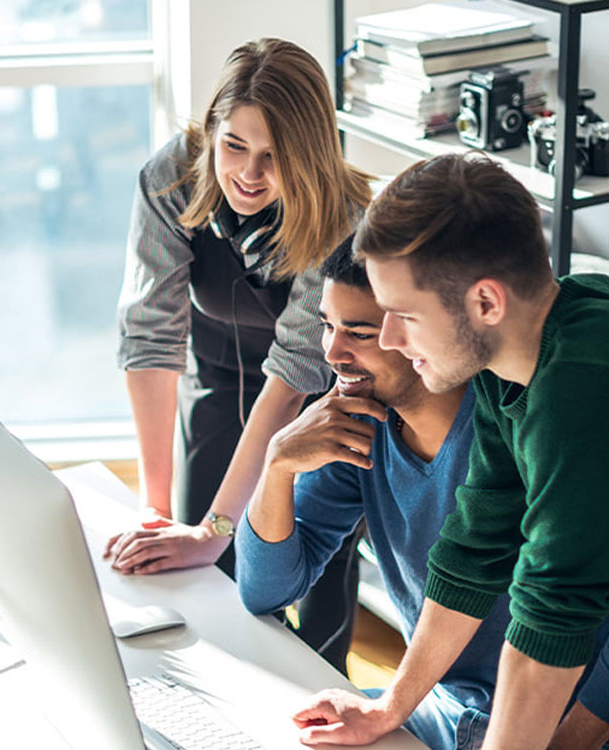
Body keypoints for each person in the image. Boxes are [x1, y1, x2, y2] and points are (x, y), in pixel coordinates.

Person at [291, 153, 609, 750]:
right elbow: (475, 547)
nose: (388, 338)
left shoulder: (580, 384)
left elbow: (552, 611)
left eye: (404, 316)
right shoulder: (507, 361)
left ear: (486, 303)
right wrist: (389, 707)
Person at [107, 38, 372, 580]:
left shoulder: (341, 216)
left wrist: (214, 530)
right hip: (217, 372)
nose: (249, 174)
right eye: (234, 146)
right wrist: (155, 513)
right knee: (196, 563)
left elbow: (294, 370)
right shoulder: (170, 180)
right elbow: (150, 336)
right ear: (211, 132)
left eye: (274, 156)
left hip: (316, 394)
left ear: (308, 154)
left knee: (304, 566)